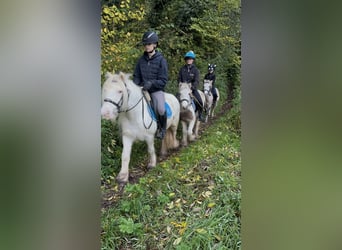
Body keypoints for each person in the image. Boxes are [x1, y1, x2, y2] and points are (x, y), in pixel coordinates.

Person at [133, 31, 168, 139]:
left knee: (161, 109)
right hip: (142, 89)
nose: (146, 46)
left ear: (155, 44)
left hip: (156, 90)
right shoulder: (141, 60)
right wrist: (136, 85)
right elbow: (136, 75)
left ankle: (162, 129)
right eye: (145, 44)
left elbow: (163, 80)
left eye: (148, 44)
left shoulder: (161, 60)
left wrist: (151, 83)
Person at [178, 50, 206, 122]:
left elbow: (197, 81)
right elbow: (179, 79)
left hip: (192, 89)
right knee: (175, 99)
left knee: (200, 101)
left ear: (193, 60)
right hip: (183, 90)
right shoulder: (182, 69)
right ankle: (176, 116)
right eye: (187, 59)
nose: (189, 60)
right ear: (186, 60)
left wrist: (192, 88)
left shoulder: (195, 70)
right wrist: (180, 85)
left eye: (190, 59)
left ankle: (199, 116)